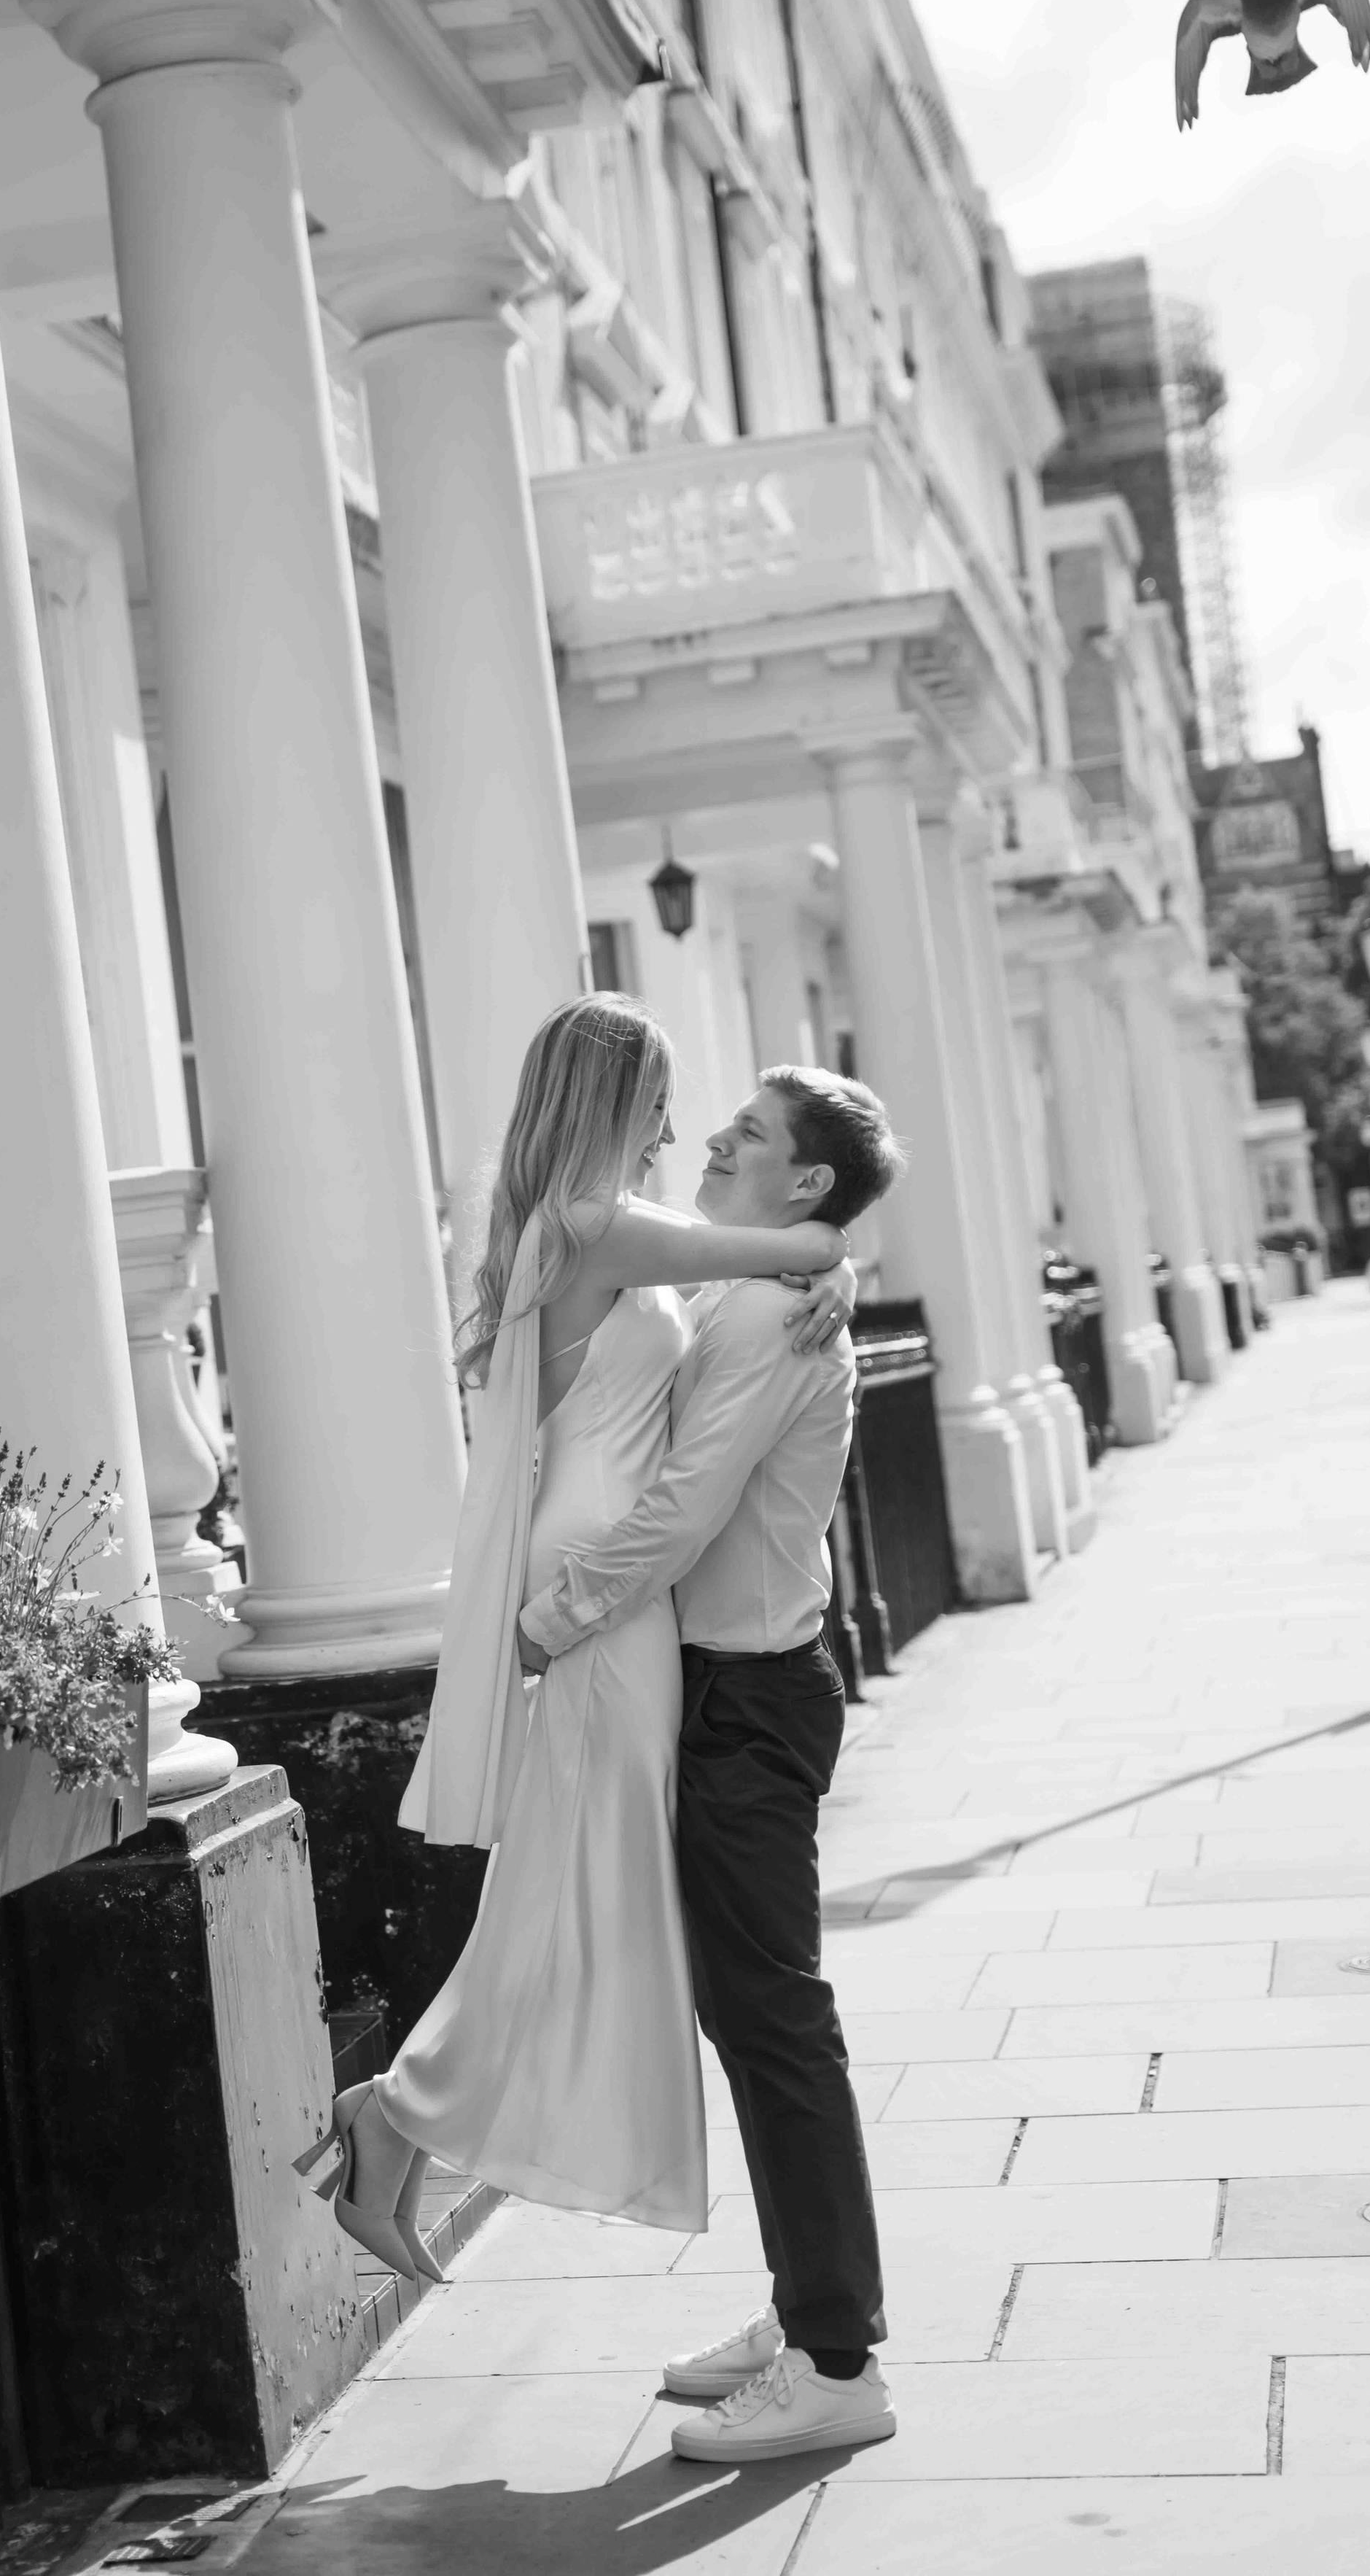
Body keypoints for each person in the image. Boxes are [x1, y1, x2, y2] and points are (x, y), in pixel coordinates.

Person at [297, 995, 858, 2277]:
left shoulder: (576, 1224)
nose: (676, 1126)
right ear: (615, 1100)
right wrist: (829, 1264)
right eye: (660, 1097)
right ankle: (395, 2118)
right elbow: (796, 1236)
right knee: (580, 1881)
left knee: (583, 1875)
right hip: (607, 1569)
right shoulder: (592, 1224)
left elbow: (779, 1253)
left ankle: (401, 2120)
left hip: (599, 1559)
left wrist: (821, 1271)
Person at [518, 1063, 905, 2464]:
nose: (721, 1137)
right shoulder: (770, 1288)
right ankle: (808, 2312)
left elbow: (685, 1512)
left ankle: (838, 2362)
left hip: (748, 1699)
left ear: (803, 1182)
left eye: (750, 1133)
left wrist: (548, 1622)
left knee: (775, 2021)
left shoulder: (767, 1320)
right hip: (728, 1694)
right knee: (753, 2023)